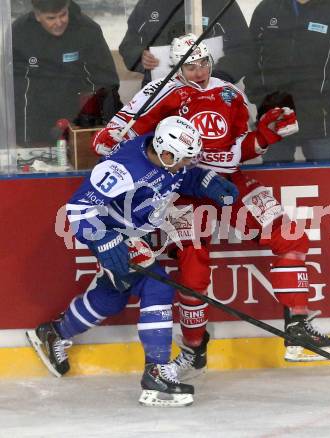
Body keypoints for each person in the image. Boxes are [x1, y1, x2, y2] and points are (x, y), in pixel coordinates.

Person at [92, 33, 330, 379]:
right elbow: (116, 132)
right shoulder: (158, 92)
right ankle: (194, 348)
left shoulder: (230, 92)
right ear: (177, 67)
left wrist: (265, 136)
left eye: (204, 63)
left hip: (229, 182)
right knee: (193, 270)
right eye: (191, 66)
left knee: (290, 237)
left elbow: (239, 148)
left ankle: (297, 327)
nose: (199, 72)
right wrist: (112, 136)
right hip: (182, 190)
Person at [26, 116, 239, 407]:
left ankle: (53, 333)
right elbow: (77, 208)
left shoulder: (167, 155)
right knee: (158, 287)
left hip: (132, 233)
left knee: (114, 294)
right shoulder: (121, 168)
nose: (183, 164)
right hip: (112, 234)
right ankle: (156, 373)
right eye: (180, 159)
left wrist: (204, 181)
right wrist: (102, 239)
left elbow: (178, 175)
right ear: (164, 152)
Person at [244, 0, 330, 162]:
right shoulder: (267, 9)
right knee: (276, 181)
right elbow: (251, 59)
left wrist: (325, 105)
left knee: (325, 181)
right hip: (275, 116)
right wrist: (262, 101)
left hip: (321, 121)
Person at [12, 0, 122, 146]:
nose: (58, 22)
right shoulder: (20, 32)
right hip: (37, 120)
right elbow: (16, 88)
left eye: (63, 15)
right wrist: (23, 135)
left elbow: (106, 81)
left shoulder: (87, 29)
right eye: (51, 18)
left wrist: (96, 123)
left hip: (78, 118)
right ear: (37, 16)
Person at [119, 0, 251, 86]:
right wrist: (140, 57)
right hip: (161, 91)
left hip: (214, 90)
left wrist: (220, 76)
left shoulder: (223, 3)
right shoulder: (148, 4)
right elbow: (128, 45)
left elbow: (244, 48)